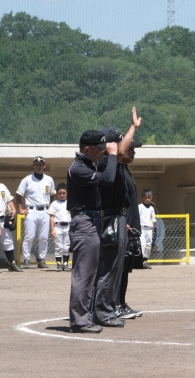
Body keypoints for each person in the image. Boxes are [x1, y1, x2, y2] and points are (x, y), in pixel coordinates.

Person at [93, 107, 142, 328]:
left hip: (120, 221)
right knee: (110, 269)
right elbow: (120, 153)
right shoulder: (106, 162)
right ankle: (106, 308)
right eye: (125, 144)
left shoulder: (118, 166)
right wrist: (133, 126)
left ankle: (114, 306)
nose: (131, 149)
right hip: (110, 221)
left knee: (119, 268)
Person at [67, 130, 117, 333]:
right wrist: (112, 156)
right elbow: (108, 180)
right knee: (84, 273)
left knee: (90, 273)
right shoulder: (78, 168)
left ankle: (85, 317)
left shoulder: (87, 164)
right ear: (87, 149)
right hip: (84, 221)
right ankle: (79, 321)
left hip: (91, 220)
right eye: (100, 150)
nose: (103, 154)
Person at [115, 141, 144, 320]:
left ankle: (121, 303)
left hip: (130, 228)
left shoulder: (125, 169)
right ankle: (116, 305)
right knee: (118, 269)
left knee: (125, 269)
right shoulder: (117, 169)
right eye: (131, 149)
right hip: (122, 226)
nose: (133, 153)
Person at [16, 156, 56, 269]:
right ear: (33, 166)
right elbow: (19, 194)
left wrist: (50, 207)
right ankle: (26, 260)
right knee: (29, 236)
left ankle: (42, 260)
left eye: (40, 164)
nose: (38, 166)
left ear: (44, 166)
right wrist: (20, 209)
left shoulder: (49, 179)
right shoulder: (27, 179)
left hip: (44, 211)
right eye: (36, 164)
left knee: (43, 237)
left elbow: (52, 194)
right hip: (31, 210)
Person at [48, 183, 72, 271]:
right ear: (57, 193)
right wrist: (52, 229)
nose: (62, 195)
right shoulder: (54, 203)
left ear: (67, 193)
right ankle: (58, 263)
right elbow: (52, 217)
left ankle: (65, 263)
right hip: (58, 226)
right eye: (60, 193)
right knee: (58, 246)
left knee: (66, 246)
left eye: (64, 193)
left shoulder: (70, 202)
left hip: (68, 226)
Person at [0, 182, 23, 272]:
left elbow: (8, 199)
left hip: (3, 218)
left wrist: (13, 209)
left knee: (8, 241)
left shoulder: (2, 186)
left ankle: (12, 263)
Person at [138, 189, 156, 269]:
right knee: (142, 244)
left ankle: (145, 260)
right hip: (142, 227)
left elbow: (153, 219)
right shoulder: (140, 207)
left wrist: (153, 228)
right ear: (142, 198)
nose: (147, 199)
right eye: (145, 197)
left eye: (149, 197)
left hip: (149, 228)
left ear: (152, 198)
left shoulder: (152, 208)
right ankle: (140, 261)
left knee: (149, 245)